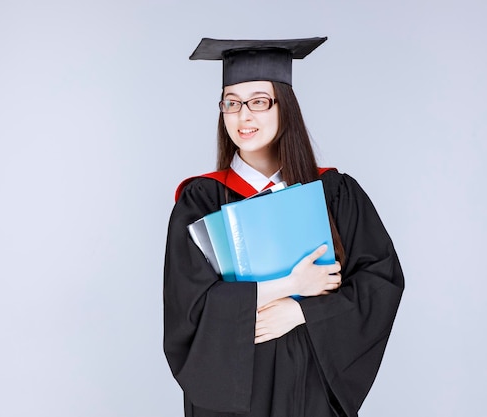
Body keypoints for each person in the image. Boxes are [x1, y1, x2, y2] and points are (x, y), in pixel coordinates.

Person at [163, 37, 404, 417]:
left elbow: (380, 283)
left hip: (309, 388)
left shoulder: (335, 192)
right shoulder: (201, 199)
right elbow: (188, 308)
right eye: (231, 102)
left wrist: (302, 313)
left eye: (259, 101)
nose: (244, 116)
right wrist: (293, 286)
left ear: (284, 108)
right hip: (235, 396)